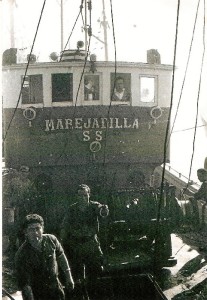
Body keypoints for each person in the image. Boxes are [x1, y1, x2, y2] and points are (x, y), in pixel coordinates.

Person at [15, 214, 74, 300]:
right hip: (37, 293)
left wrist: (69, 277)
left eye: (37, 228)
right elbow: (24, 284)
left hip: (55, 288)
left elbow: (61, 257)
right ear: (25, 232)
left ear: (42, 229)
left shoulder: (51, 240)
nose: (35, 232)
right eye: (31, 229)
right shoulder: (21, 254)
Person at [60, 184, 109, 284]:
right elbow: (65, 226)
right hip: (77, 244)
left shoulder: (94, 206)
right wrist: (62, 242)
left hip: (91, 243)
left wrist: (104, 210)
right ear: (76, 196)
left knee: (96, 270)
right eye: (80, 196)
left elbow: (101, 211)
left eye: (85, 195)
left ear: (89, 195)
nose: (83, 198)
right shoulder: (72, 209)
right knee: (78, 274)